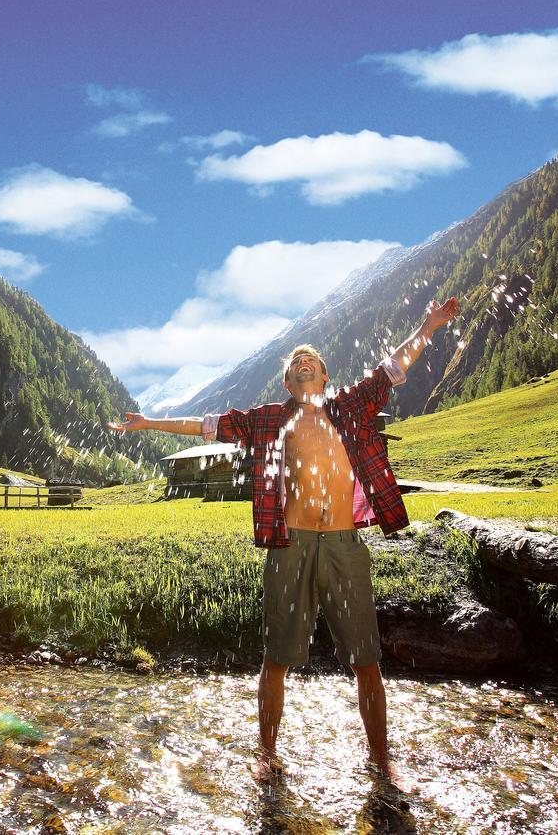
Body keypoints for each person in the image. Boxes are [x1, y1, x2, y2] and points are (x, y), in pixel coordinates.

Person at [107, 297, 459, 782]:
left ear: (325, 375)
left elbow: (394, 365)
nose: (302, 359)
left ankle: (381, 760)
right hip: (290, 544)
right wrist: (148, 423)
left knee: (366, 658)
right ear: (288, 381)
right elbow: (206, 425)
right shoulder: (270, 418)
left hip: (343, 543)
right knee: (277, 657)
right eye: (295, 362)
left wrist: (430, 323)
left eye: (309, 358)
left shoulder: (350, 406)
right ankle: (266, 754)